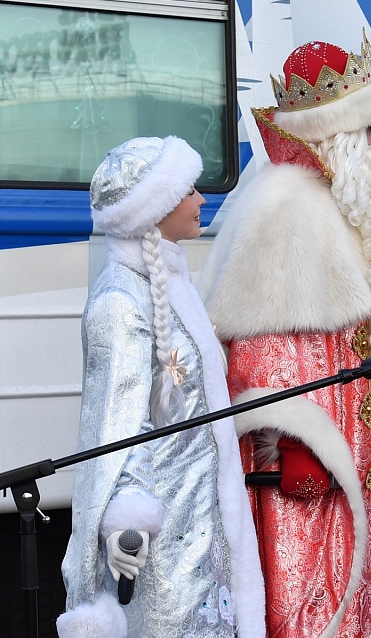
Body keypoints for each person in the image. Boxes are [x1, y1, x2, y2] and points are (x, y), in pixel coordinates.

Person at [197, 36, 371, 638]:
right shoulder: (286, 211)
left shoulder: (347, 203)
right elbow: (260, 356)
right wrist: (294, 441)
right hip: (333, 489)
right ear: (339, 139)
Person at [57, 137, 265, 638]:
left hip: (200, 524)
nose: (202, 200)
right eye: (189, 190)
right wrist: (127, 521)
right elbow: (113, 430)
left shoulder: (170, 283)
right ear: (154, 208)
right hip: (163, 547)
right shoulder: (119, 303)